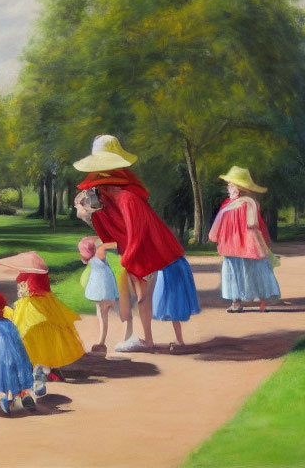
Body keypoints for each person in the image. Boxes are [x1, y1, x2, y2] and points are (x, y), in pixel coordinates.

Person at [73, 134, 199, 352]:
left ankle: (168, 341)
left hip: (158, 255)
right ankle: (148, 340)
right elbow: (112, 236)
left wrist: (127, 258)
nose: (94, 191)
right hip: (139, 255)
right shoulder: (108, 204)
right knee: (141, 299)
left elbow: (137, 233)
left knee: (152, 299)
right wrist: (89, 215)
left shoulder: (128, 199)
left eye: (97, 185)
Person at [0, 251, 85, 396]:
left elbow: (26, 291)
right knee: (47, 338)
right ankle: (46, 367)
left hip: (31, 305)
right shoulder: (40, 274)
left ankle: (37, 370)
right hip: (45, 304)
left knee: (27, 334)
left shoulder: (29, 277)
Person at [207, 166, 280, 312]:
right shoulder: (250, 203)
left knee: (237, 271)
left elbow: (218, 227)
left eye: (230, 184)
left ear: (238, 187)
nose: (228, 187)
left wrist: (220, 233)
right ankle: (261, 304)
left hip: (233, 243)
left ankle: (237, 303)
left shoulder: (229, 205)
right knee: (254, 270)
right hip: (247, 243)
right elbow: (253, 223)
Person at [78, 235, 118, 355]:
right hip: (102, 285)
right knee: (102, 313)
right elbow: (114, 244)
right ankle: (101, 342)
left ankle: (101, 342)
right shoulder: (99, 251)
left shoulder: (91, 256)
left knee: (102, 314)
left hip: (101, 286)